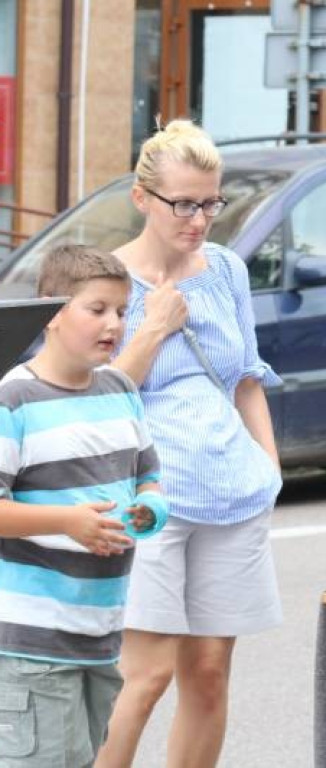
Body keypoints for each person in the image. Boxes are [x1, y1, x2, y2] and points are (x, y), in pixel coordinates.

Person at [94, 121, 283, 768]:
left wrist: (271, 465)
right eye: (184, 203)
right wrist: (153, 328)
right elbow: (98, 396)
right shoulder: (107, 282)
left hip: (236, 491)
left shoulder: (227, 270)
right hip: (149, 499)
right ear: (142, 198)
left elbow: (246, 377)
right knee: (143, 677)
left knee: (208, 671)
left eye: (210, 203)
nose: (199, 219)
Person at [0, 245, 165, 766]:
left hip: (100, 637)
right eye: (96, 309)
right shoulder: (15, 399)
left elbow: (149, 477)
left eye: (121, 311)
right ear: (53, 312)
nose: (113, 323)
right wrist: (66, 522)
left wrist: (149, 510)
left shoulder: (119, 389)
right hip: (31, 644)